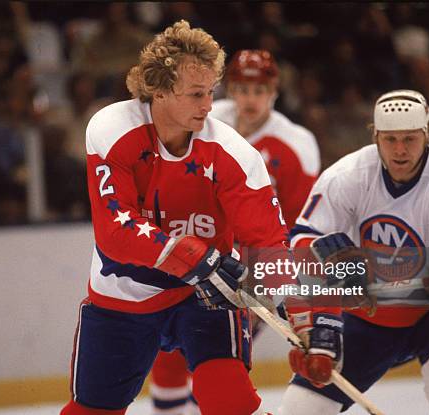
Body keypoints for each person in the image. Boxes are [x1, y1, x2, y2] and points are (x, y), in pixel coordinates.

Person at [60, 20, 288, 415]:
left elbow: (269, 245)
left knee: (230, 403)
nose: (209, 106)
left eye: (211, 92)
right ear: (159, 90)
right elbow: (116, 231)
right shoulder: (112, 128)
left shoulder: (232, 152)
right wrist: (196, 258)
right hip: (124, 293)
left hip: (205, 296)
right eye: (196, 94)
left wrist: (309, 321)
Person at [278, 89, 429, 415]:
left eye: (410, 138)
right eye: (390, 139)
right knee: (301, 408)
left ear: (428, 134)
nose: (400, 150)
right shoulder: (347, 175)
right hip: (368, 315)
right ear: (375, 136)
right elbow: (304, 239)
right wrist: (322, 305)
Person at [149, 49, 321, 415]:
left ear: (274, 92)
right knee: (167, 359)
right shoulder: (204, 120)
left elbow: (295, 225)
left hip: (246, 270)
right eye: (242, 88)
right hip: (194, 252)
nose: (250, 99)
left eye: (259, 90)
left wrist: (268, 281)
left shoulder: (296, 144)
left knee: (213, 363)